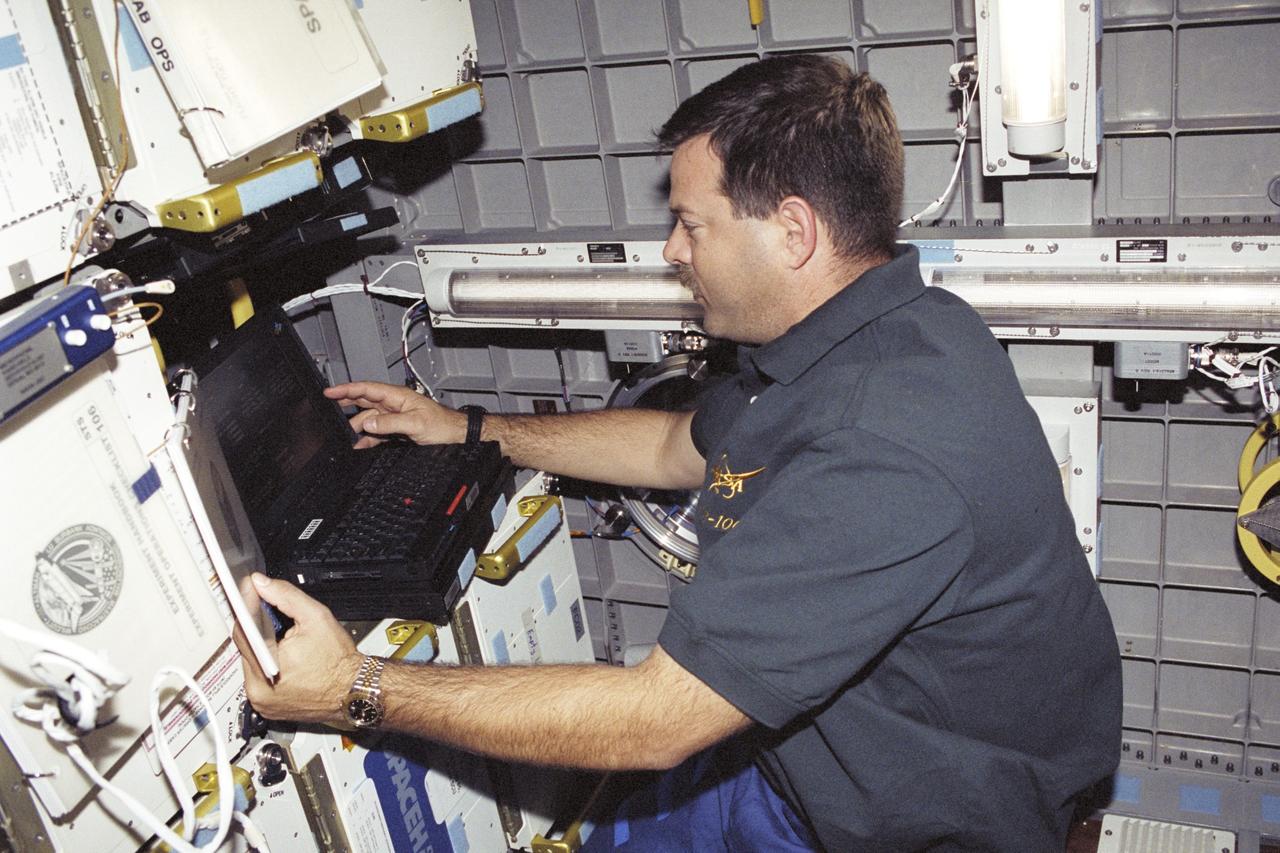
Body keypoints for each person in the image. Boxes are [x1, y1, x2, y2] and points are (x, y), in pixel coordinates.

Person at [236, 54, 1121, 851]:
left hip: (900, 815)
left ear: (794, 232)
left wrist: (354, 686)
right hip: (796, 753)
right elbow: (674, 443)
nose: (672, 249)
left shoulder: (881, 447)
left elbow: (656, 718)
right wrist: (468, 428)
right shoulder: (880, 329)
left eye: (692, 224)